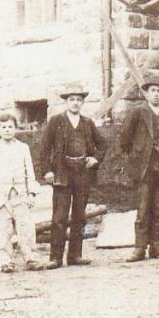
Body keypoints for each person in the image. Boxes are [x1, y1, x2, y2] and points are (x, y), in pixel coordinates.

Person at [35, 82, 105, 268]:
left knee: (79, 215)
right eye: (72, 99)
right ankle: (55, 257)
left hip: (82, 173)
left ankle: (75, 255)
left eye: (78, 100)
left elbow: (103, 144)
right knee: (59, 216)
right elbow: (44, 147)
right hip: (62, 174)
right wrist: (47, 170)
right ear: (66, 102)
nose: (75, 103)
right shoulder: (56, 121)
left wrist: (95, 159)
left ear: (82, 103)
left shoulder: (87, 123)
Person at [118, 75, 159, 262]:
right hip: (143, 168)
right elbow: (124, 139)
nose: (156, 95)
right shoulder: (137, 113)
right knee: (143, 207)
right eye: (153, 91)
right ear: (146, 93)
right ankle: (139, 248)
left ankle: (156, 246)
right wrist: (139, 155)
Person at [0, 112, 47, 273]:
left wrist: (31, 193)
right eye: (3, 127)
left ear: (16, 129)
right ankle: (6, 262)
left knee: (26, 229)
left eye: (10, 127)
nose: (7, 130)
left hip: (20, 194)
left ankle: (31, 258)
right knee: (3, 231)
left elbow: (29, 172)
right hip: (1, 197)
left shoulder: (23, 148)